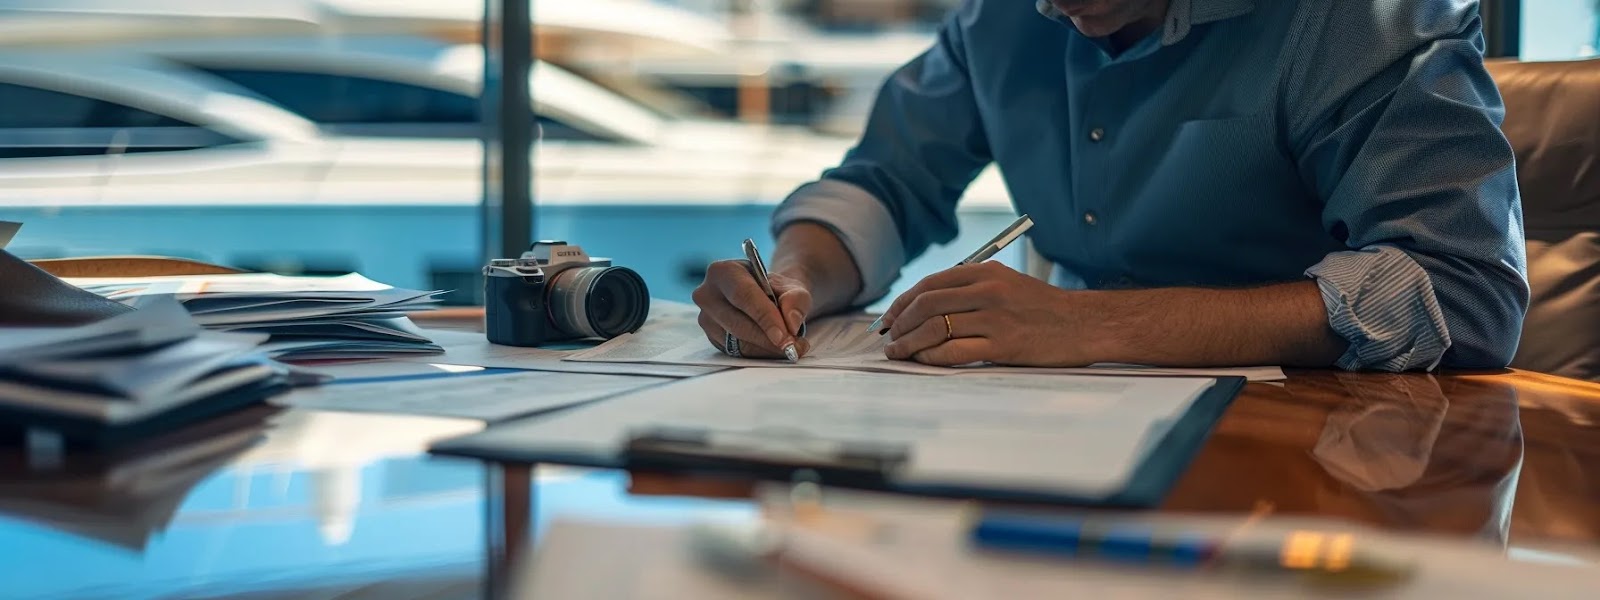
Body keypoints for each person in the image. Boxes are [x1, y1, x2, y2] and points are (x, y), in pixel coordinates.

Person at [692, 0, 1529, 371]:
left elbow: (1466, 289)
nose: (1059, 6)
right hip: (1067, 430)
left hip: (1321, 459)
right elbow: (884, 183)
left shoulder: (1359, 18)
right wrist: (797, 276)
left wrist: (1086, 323)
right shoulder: (1005, 16)